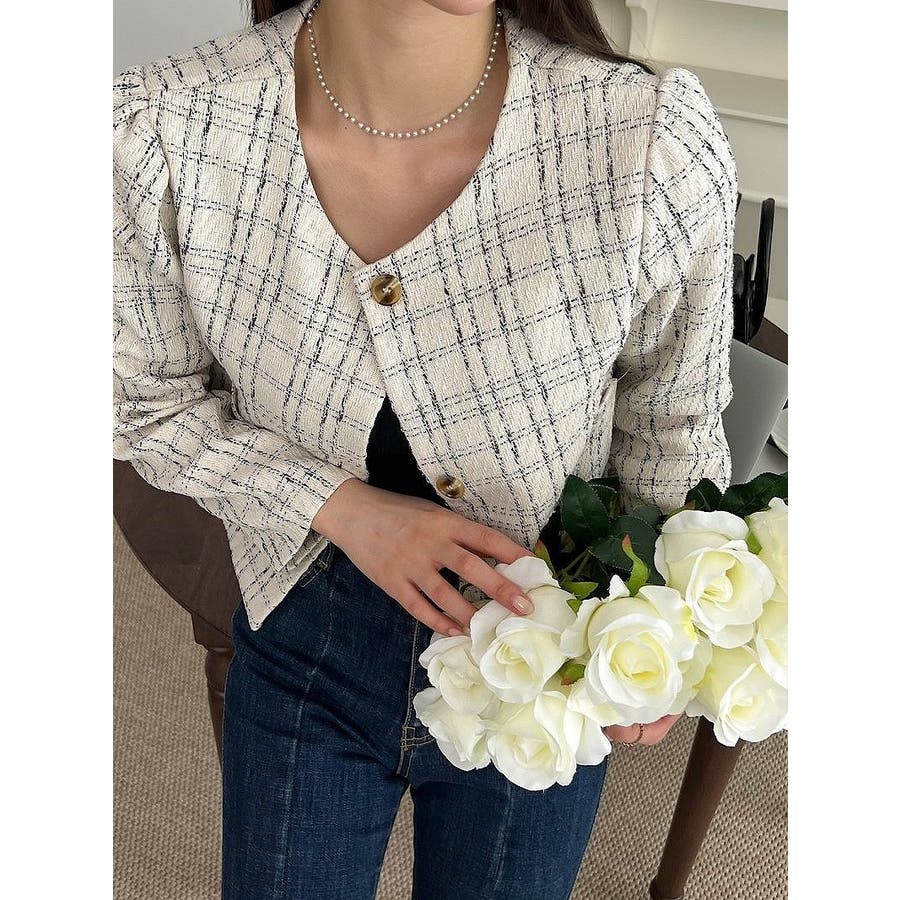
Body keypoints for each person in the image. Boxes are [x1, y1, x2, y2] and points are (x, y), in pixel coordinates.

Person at [112, 1, 737, 896]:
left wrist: (661, 630)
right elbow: (144, 399)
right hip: (303, 641)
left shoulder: (647, 144)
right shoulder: (164, 130)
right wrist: (341, 508)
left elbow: (672, 426)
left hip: (543, 661)